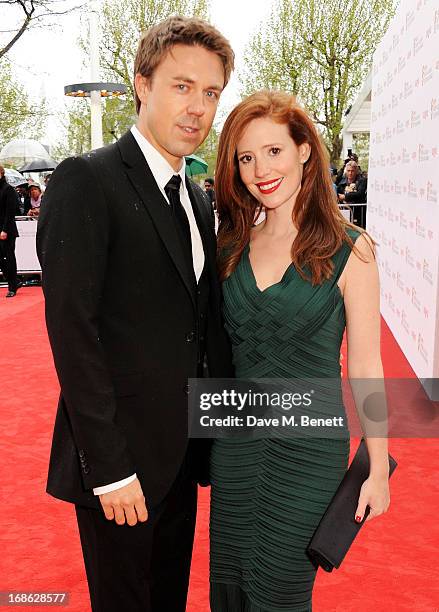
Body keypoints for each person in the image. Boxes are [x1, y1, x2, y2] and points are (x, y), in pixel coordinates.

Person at [36, 16, 234, 612]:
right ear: (142, 84)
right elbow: (74, 335)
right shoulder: (86, 181)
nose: (198, 107)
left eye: (211, 92)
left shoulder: (197, 200)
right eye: (182, 86)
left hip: (182, 458)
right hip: (119, 465)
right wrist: (110, 468)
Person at [210, 91, 391, 611]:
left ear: (305, 151)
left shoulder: (350, 247)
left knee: (280, 590)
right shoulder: (229, 245)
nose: (260, 170)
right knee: (232, 584)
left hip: (309, 452)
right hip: (237, 446)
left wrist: (376, 466)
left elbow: (365, 366)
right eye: (246, 157)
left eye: (273, 151)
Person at [0, 165, 20, 297]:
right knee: (1, 259)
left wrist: (5, 230)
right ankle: (14, 280)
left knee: (9, 257)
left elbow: (10, 212)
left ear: (1, 173)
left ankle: (12, 285)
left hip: (6, 230)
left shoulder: (8, 189)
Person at [337, 160, 367, 228]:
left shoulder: (362, 180)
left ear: (356, 171)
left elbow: (360, 194)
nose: (350, 173)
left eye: (352, 171)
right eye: (348, 171)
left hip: (358, 213)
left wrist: (345, 197)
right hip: (344, 213)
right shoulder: (342, 181)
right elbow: (337, 192)